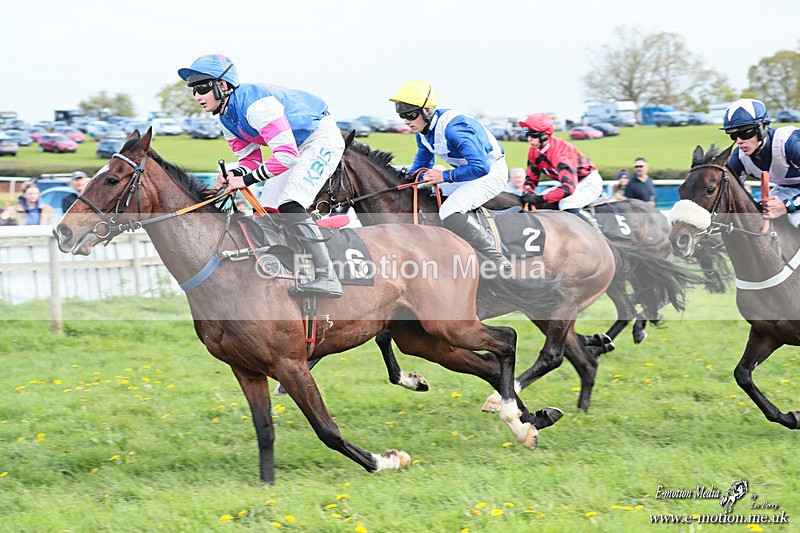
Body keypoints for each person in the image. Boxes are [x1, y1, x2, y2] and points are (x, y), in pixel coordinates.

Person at [178, 54, 345, 297]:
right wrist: (234, 173)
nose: (197, 96)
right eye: (193, 89)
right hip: (293, 146)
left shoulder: (257, 107)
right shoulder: (226, 118)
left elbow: (286, 157)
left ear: (222, 86)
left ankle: (327, 277)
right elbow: (251, 160)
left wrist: (244, 180)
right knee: (266, 209)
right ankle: (289, 265)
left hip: (319, 139)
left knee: (290, 203)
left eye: (202, 87)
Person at [389, 79, 510, 272]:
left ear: (427, 110)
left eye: (410, 114)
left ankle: (496, 258)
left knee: (449, 211)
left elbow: (480, 167)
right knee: (420, 194)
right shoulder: (422, 132)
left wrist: (444, 176)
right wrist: (403, 179)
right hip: (466, 173)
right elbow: (422, 164)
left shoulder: (454, 129)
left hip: (490, 173)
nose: (406, 120)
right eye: (401, 114)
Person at [722, 98, 800, 225]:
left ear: (762, 127)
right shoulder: (739, 158)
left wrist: (787, 206)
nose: (739, 141)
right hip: (786, 190)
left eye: (745, 133)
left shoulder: (790, 143)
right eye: (733, 135)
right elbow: (726, 194)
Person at [517, 113, 603, 219]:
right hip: (572, 183)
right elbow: (531, 178)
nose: (529, 139)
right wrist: (528, 192)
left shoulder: (562, 153)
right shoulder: (533, 151)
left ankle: (591, 231)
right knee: (540, 205)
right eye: (527, 134)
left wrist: (540, 198)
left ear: (545, 135)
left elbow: (568, 189)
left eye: (533, 134)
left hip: (588, 182)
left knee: (567, 203)